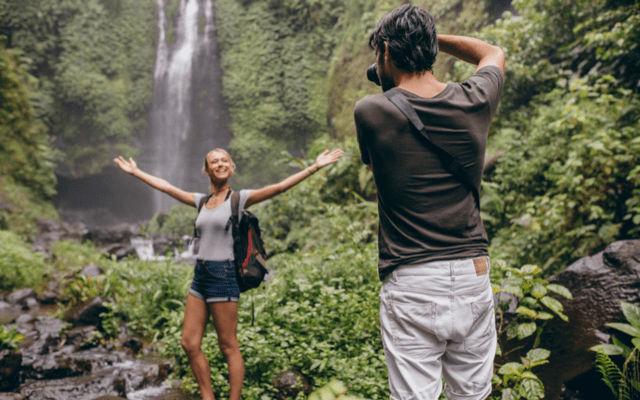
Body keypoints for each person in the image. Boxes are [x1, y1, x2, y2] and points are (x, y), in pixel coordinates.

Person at [354, 4, 505, 400]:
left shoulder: (370, 111)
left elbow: (378, 157)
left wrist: (397, 60)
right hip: (473, 272)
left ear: (386, 51)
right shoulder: (476, 99)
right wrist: (429, 42)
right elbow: (492, 53)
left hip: (413, 278)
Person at [113, 147, 343, 400]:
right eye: (214, 161)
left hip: (224, 274)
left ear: (231, 167)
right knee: (189, 343)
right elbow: (166, 187)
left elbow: (279, 188)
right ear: (206, 169)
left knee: (228, 345)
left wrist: (314, 166)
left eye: (224, 161)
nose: (220, 164)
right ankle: (207, 396)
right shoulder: (201, 201)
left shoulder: (239, 199)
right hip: (200, 274)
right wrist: (136, 172)